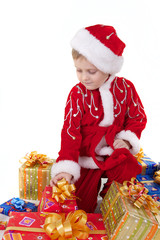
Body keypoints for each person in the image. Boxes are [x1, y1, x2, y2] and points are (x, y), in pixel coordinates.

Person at [50, 24, 147, 212]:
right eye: (79, 70)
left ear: (107, 68)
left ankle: (113, 201)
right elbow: (70, 131)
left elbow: (137, 116)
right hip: (86, 154)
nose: (84, 78)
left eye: (91, 71)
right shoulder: (77, 94)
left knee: (125, 180)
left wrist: (126, 141)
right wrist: (66, 167)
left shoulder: (125, 88)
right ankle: (88, 200)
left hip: (113, 149)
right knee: (81, 206)